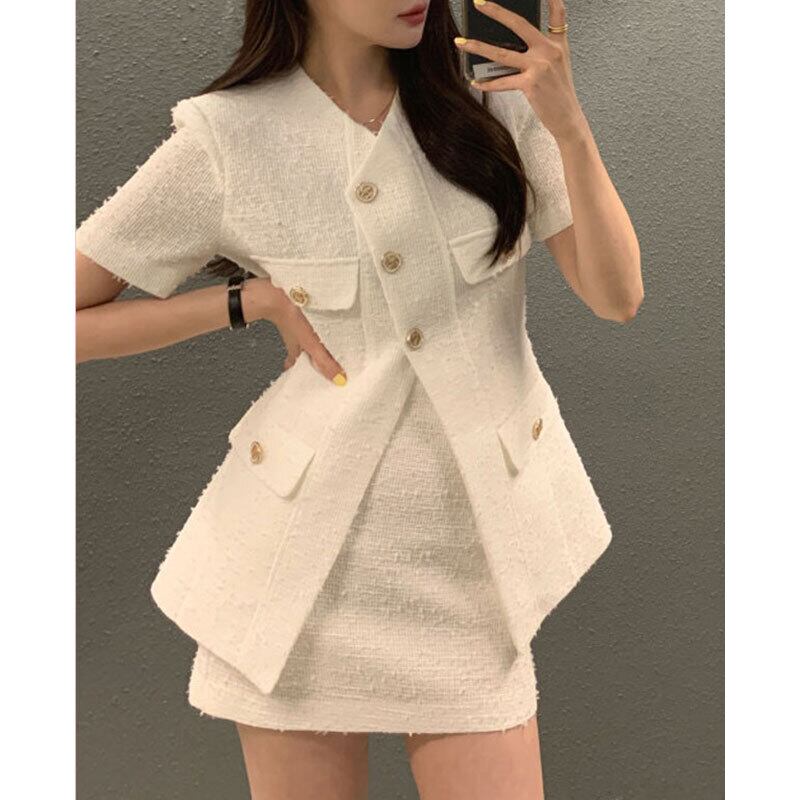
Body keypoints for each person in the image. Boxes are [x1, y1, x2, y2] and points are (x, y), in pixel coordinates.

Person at [75, 1, 642, 797]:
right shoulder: (229, 137)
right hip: (292, 591)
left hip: (470, 578)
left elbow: (618, 297)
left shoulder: (498, 110)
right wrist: (247, 301)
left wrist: (570, 126)